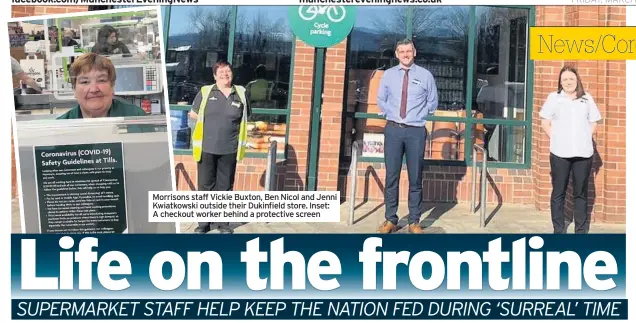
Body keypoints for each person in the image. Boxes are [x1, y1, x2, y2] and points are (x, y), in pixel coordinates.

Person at [376, 39, 439, 234]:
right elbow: (381, 99)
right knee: (392, 176)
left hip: (415, 131)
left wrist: (417, 116)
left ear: (415, 52)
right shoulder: (388, 75)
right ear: (396, 54)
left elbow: (432, 102)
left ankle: (414, 221)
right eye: (401, 51)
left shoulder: (425, 75)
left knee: (415, 177)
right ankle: (391, 219)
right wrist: (392, 114)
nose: (405, 54)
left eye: (408, 51)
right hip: (394, 129)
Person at [189, 61, 251, 234]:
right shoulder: (206, 92)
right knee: (205, 187)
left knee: (225, 187)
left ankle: (224, 224)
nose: (225, 74)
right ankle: (204, 224)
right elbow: (193, 113)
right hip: (206, 147)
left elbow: (246, 117)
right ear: (215, 76)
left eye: (228, 71)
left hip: (230, 149)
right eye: (221, 71)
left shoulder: (241, 93)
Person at [539, 65, 601, 234]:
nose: (568, 82)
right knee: (559, 192)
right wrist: (556, 137)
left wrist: (584, 136)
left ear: (577, 80)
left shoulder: (587, 99)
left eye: (571, 79)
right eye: (565, 79)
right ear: (560, 82)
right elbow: (544, 121)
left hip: (583, 154)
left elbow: (594, 121)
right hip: (560, 153)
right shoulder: (554, 98)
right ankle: (558, 231)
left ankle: (580, 232)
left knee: (580, 193)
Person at [57, 52, 147, 119]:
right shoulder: (61, 127)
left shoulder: (136, 117)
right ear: (74, 89)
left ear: (112, 86)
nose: (93, 89)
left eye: (101, 80)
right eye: (85, 82)